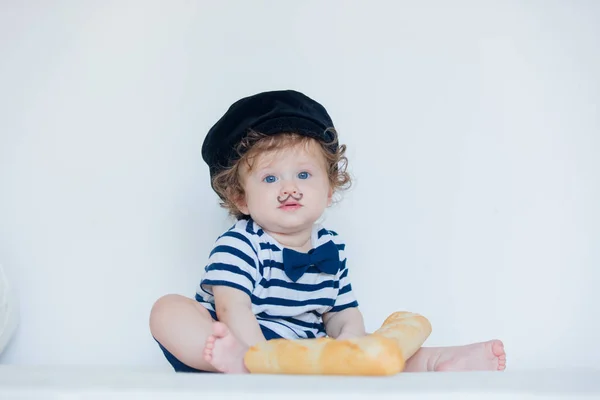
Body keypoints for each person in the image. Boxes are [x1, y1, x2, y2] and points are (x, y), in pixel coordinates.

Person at [149, 90, 507, 374]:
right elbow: (231, 306)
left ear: (330, 188)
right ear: (241, 198)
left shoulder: (330, 247)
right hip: (236, 341)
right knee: (169, 311)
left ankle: (437, 361)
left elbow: (341, 312)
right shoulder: (241, 243)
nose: (289, 188)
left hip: (303, 349)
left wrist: (352, 340)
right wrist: (256, 355)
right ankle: (241, 367)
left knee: (372, 353)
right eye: (270, 178)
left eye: (304, 175)